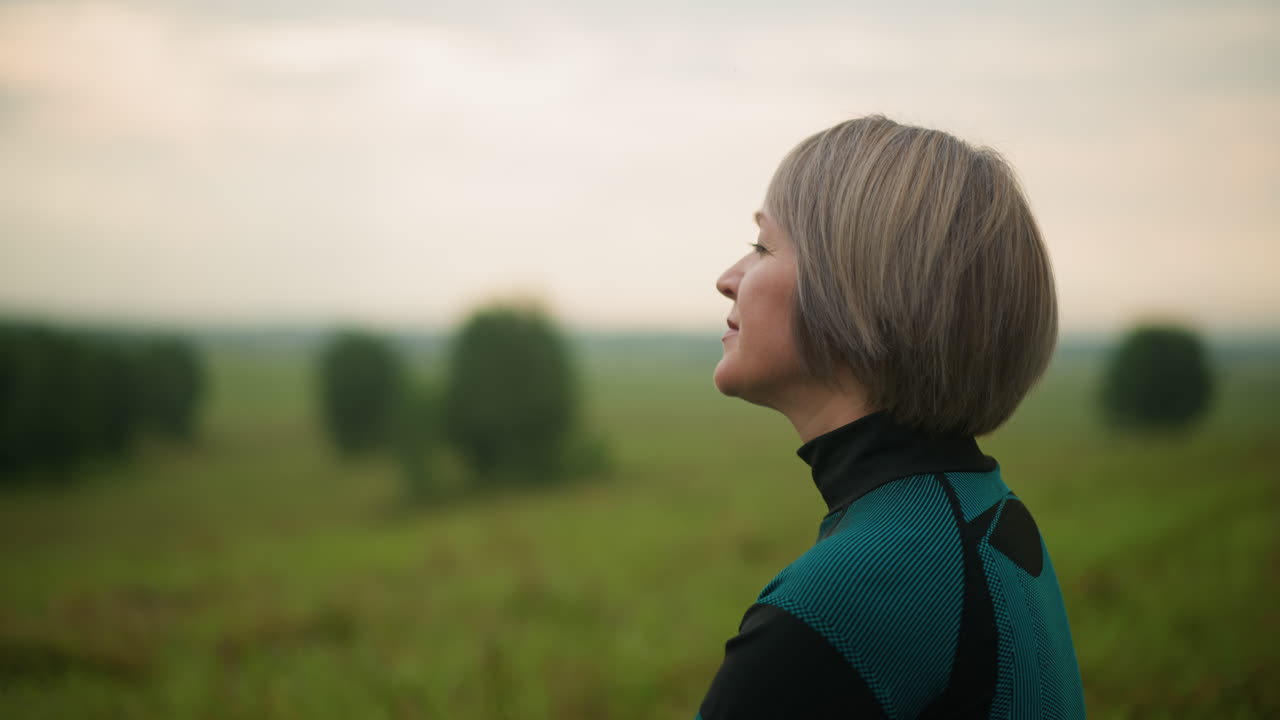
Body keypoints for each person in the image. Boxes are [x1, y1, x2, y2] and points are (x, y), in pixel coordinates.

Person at [696, 116, 1086, 719]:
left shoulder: (843, 601)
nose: (728, 279)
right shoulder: (982, 512)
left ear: (855, 289)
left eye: (763, 246)